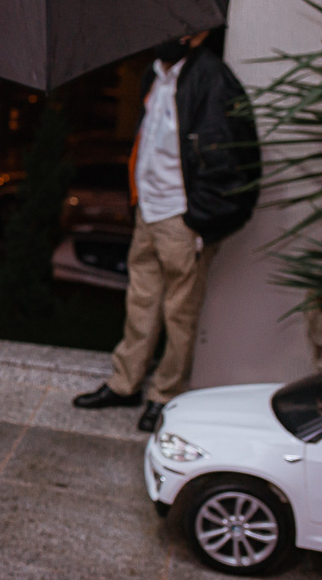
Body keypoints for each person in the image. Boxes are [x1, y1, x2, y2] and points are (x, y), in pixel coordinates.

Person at [73, 31, 259, 432]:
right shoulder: (155, 74)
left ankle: (165, 395)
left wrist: (199, 221)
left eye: (175, 31)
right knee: (141, 301)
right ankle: (125, 385)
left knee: (180, 313)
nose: (162, 38)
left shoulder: (213, 80)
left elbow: (233, 158)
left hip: (181, 217)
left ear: (199, 34)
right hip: (149, 212)